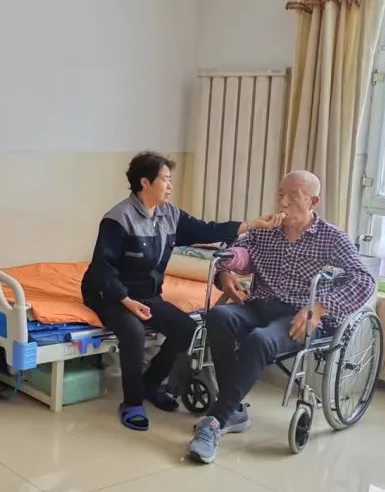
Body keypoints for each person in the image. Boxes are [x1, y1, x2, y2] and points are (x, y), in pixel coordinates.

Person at [81, 152, 282, 432]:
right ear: (145, 182)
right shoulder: (118, 218)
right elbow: (102, 269)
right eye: (165, 179)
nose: (170, 185)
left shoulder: (169, 215)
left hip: (147, 293)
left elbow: (206, 230)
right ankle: (132, 402)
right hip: (110, 293)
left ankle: (150, 383)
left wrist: (252, 224)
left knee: (187, 330)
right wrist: (126, 301)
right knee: (133, 332)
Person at [187, 170, 376, 464]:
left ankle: (216, 421)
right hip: (260, 306)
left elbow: (364, 280)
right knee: (219, 316)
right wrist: (225, 273)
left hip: (300, 316)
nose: (283, 202)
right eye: (280, 194)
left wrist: (320, 307)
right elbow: (236, 252)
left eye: (293, 196)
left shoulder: (331, 238)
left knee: (259, 340)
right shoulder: (267, 230)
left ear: (313, 201)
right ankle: (232, 409)